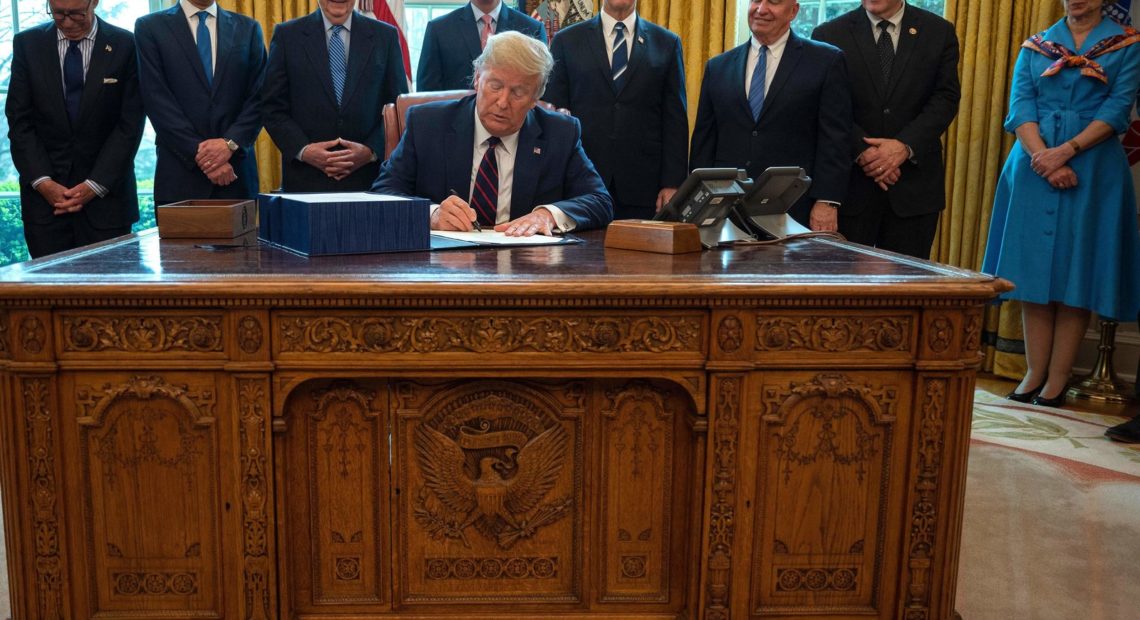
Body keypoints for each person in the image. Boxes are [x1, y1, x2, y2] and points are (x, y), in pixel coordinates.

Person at [983, 0, 1140, 407]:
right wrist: (1044, 158)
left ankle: (1057, 377)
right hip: (1033, 164)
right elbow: (1021, 108)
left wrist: (1066, 151)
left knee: (1077, 272)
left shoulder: (1126, 43)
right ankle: (1033, 373)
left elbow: (1118, 108)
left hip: (1094, 166)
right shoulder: (1035, 46)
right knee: (1033, 273)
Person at [372, 31, 613, 236]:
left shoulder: (560, 134)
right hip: (444, 269)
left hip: (526, 270)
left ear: (535, 99)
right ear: (477, 79)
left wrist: (547, 215)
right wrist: (432, 214)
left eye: (518, 93)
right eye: (495, 86)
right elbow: (382, 195)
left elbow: (600, 202)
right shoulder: (427, 124)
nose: (502, 102)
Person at [812, 0, 960, 259]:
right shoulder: (829, 34)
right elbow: (825, 105)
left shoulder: (938, 31)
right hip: (851, 188)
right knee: (843, 290)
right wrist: (863, 150)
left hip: (913, 187)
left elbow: (945, 98)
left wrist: (903, 146)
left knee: (908, 291)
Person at [690, 0, 852, 231]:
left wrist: (827, 201)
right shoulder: (718, 67)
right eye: (756, 0)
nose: (761, 9)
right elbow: (704, 141)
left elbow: (835, 139)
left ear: (794, 11)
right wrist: (698, 202)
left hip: (794, 208)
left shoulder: (826, 61)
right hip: (726, 210)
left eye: (774, 2)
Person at [5, 0, 144, 259]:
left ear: (95, 3)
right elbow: (19, 120)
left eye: (77, 14)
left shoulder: (126, 44)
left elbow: (130, 124)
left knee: (111, 295)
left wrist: (94, 185)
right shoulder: (28, 44)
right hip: (46, 206)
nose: (68, 22)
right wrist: (44, 182)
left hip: (107, 202)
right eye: (58, 14)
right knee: (49, 297)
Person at [545, 0, 688, 220]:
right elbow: (552, 116)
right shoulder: (567, 40)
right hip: (580, 182)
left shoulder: (666, 43)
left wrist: (673, 183)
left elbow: (675, 120)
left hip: (643, 186)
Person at [261, 0, 407, 193]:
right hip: (305, 182)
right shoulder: (287, 35)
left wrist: (370, 151)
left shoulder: (385, 36)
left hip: (370, 181)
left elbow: (397, 108)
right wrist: (304, 151)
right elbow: (271, 108)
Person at [135, 0, 266, 205]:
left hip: (236, 172)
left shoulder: (248, 28)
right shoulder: (150, 27)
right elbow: (156, 98)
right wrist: (206, 158)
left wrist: (229, 144)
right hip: (179, 173)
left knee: (243, 238)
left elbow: (260, 96)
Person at [416, 0, 547, 92]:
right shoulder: (439, 29)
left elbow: (538, 89)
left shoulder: (532, 28)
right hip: (455, 125)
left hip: (514, 125)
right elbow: (427, 92)